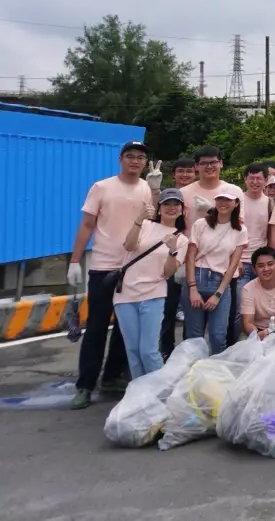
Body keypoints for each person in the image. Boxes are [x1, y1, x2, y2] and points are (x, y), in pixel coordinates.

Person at [67, 141, 154, 408]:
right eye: (130, 156)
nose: (135, 161)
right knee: (96, 326)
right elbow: (87, 224)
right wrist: (75, 260)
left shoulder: (147, 188)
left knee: (125, 327)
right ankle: (85, 385)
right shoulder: (102, 187)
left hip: (135, 266)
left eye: (140, 157)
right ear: (120, 159)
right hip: (104, 266)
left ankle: (113, 375)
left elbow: (154, 223)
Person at [113, 186, 187, 381]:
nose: (172, 208)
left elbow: (167, 272)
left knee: (149, 351)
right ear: (159, 208)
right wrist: (138, 220)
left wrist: (172, 251)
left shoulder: (182, 239)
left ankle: (160, 394)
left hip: (153, 295)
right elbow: (129, 246)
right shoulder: (145, 225)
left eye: (176, 204)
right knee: (133, 350)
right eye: (167, 204)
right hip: (125, 294)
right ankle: (139, 396)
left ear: (182, 209)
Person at [184, 185, 248, 354]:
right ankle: (191, 373)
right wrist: (192, 288)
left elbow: (233, 264)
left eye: (228, 200)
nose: (223, 203)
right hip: (197, 277)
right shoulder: (200, 224)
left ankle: (217, 374)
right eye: (220, 199)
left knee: (218, 335)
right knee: (194, 336)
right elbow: (190, 257)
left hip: (220, 281)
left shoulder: (240, 230)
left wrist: (218, 294)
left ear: (236, 204)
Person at [239, 163, 275, 285]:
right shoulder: (237, 201)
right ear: (245, 179)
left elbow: (273, 235)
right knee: (242, 299)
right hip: (239, 260)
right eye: (251, 178)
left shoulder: (271, 204)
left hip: (262, 261)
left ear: (266, 180)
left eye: (259, 179)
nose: (255, 182)